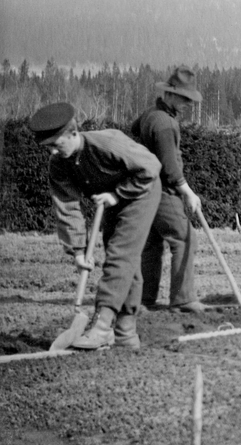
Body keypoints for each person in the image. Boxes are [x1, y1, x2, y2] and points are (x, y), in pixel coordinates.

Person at [29, 102, 162, 350]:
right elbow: (67, 206)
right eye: (48, 148)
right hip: (111, 200)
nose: (53, 153)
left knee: (120, 256)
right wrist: (78, 251)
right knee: (126, 263)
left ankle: (102, 327)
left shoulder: (107, 142)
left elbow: (151, 167)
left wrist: (118, 194)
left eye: (57, 145)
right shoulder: (59, 164)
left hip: (141, 193)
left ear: (73, 133)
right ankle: (125, 333)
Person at [131, 67, 206, 313]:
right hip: (162, 190)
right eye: (184, 98)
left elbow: (134, 131)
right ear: (170, 95)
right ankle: (183, 299)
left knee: (151, 244)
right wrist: (189, 193)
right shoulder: (164, 123)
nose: (187, 104)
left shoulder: (150, 114)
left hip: (143, 189)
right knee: (185, 238)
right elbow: (171, 168)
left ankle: (144, 299)